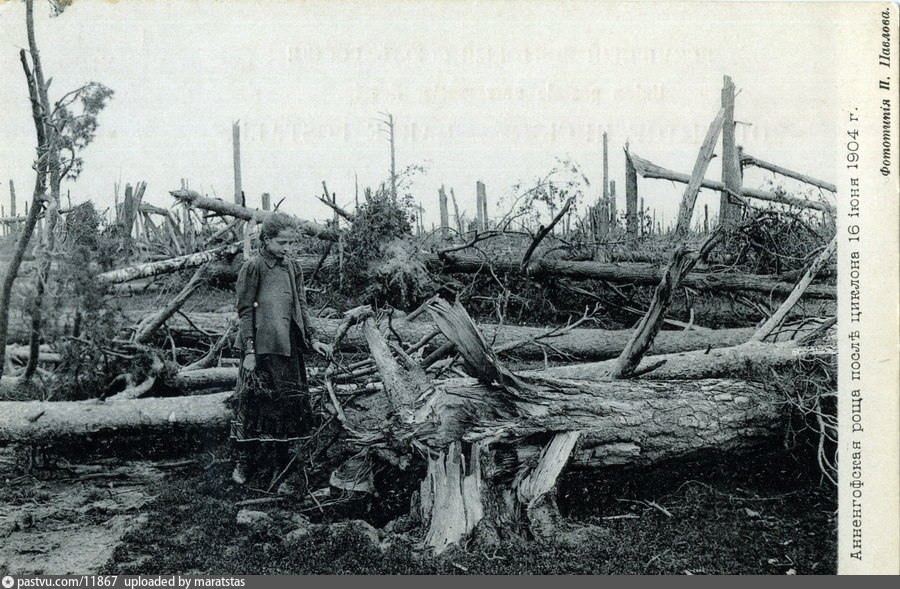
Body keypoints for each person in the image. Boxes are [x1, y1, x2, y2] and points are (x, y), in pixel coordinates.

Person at [230, 212, 332, 487]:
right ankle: (244, 462)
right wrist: (250, 351)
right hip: (262, 350)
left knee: (288, 406)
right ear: (265, 240)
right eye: (281, 243)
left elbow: (302, 305)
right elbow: (245, 311)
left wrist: (313, 338)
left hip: (289, 347)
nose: (287, 249)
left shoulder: (293, 268)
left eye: (290, 244)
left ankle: (282, 465)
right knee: (253, 405)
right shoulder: (254, 267)